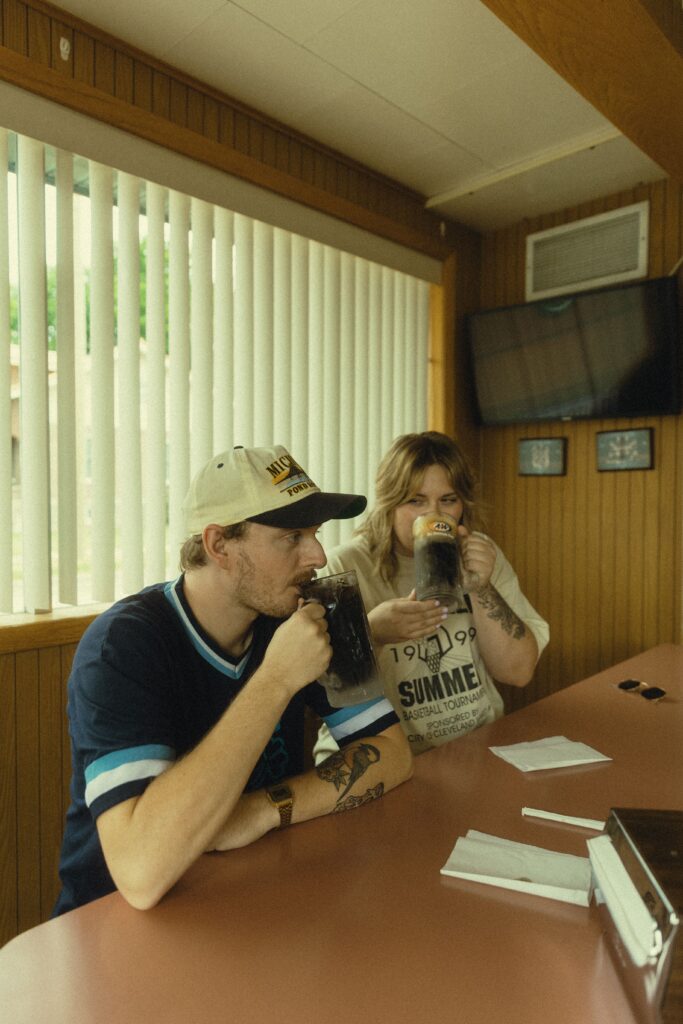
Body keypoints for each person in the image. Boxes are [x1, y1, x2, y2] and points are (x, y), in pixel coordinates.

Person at [54, 445, 413, 915]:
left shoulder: (308, 611)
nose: (319, 555)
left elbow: (393, 754)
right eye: (292, 536)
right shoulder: (121, 647)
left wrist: (266, 809)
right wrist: (277, 680)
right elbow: (140, 874)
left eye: (316, 533)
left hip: (256, 898)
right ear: (219, 544)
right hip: (115, 924)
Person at [319, 432, 549, 756]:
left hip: (476, 749)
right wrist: (372, 633)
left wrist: (480, 586)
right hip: (382, 760)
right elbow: (323, 687)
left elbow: (518, 671)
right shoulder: (344, 566)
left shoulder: (479, 555)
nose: (433, 514)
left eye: (448, 500)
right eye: (416, 501)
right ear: (390, 502)